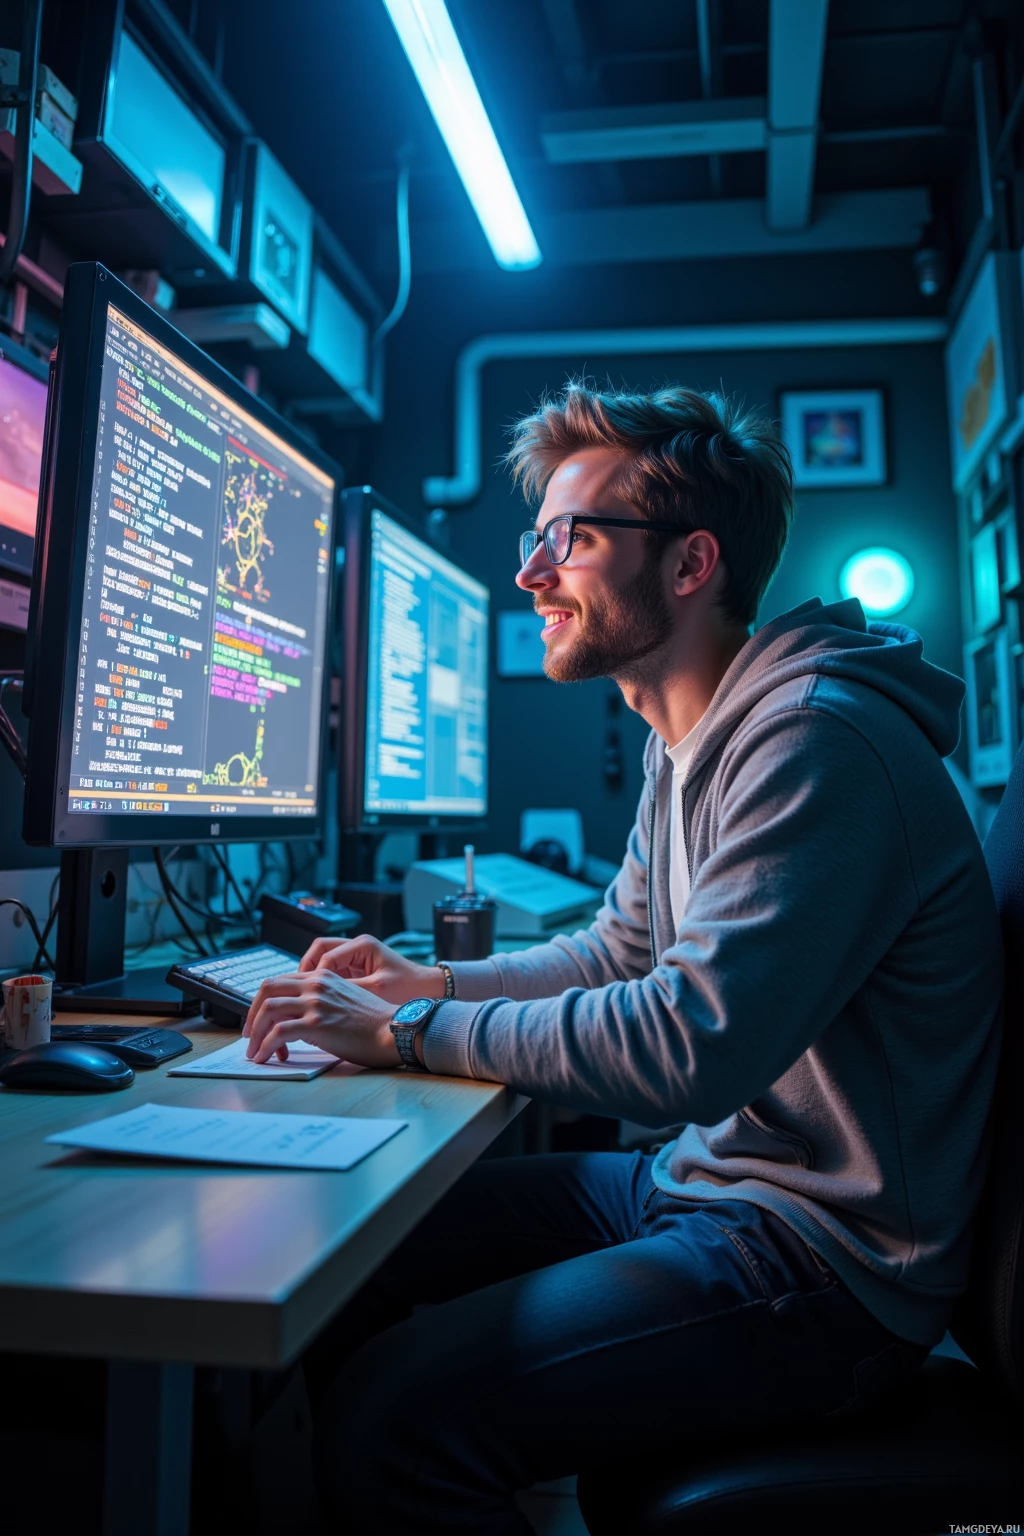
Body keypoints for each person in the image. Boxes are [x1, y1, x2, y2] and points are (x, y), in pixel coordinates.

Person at [243, 384, 1003, 1535]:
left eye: (573, 539)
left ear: (690, 562)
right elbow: (619, 952)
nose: (530, 574)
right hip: (710, 1189)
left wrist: (408, 1034)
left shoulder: (812, 739)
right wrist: (430, 984)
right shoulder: (686, 740)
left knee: (391, 1425)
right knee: (352, 1252)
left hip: (828, 1263)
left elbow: (691, 1043)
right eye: (536, 538)